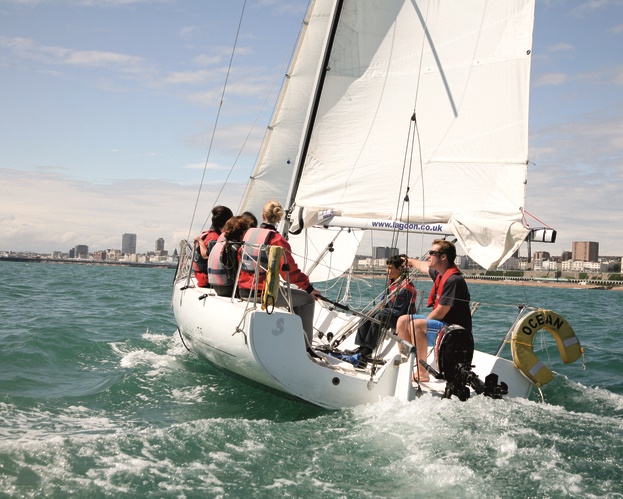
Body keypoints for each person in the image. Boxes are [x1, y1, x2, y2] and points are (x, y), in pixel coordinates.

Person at [237, 200, 321, 344]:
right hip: (262, 293)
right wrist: (309, 288)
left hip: (242, 290)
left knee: (288, 295)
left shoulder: (248, 235)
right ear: (279, 219)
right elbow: (289, 272)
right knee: (307, 300)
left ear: (263, 216)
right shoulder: (277, 240)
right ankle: (305, 345)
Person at [395, 239, 471, 382]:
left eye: (432, 253)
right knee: (402, 320)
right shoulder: (441, 274)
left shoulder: (454, 280)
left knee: (415, 325)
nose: (428, 256)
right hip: (442, 325)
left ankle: (422, 373)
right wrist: (408, 260)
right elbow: (423, 266)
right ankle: (407, 365)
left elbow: (441, 312)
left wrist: (422, 323)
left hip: (454, 332)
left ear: (443, 257)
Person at [351, 254, 416, 359]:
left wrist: (381, 310)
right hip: (390, 313)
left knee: (379, 316)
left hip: (400, 319)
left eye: (390, 268)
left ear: (399, 269)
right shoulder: (392, 283)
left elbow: (398, 311)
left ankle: (368, 350)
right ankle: (361, 346)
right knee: (366, 314)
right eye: (387, 268)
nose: (388, 271)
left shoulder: (406, 287)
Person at [208, 216, 250, 297]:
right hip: (230, 290)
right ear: (244, 233)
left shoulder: (219, 244)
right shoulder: (236, 248)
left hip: (217, 287)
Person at [193, 205, 233, 287]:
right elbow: (206, 255)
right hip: (208, 280)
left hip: (203, 278)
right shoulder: (215, 238)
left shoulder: (210, 235)